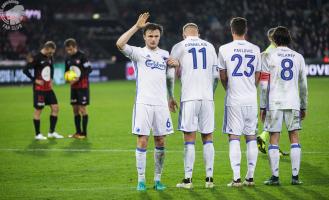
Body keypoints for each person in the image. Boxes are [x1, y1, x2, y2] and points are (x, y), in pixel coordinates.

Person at [116, 12, 175, 191]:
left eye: (156, 36)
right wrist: (136, 26)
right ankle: (141, 180)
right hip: (143, 103)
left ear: (160, 37)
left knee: (161, 142)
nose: (153, 39)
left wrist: (171, 97)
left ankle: (157, 180)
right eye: (150, 35)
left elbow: (169, 78)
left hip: (161, 105)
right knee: (142, 141)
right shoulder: (138, 53)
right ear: (144, 36)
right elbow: (119, 44)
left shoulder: (165, 55)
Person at [167, 23, 219, 189]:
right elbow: (216, 76)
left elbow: (170, 75)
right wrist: (211, 94)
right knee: (208, 137)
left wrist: (170, 96)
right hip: (207, 98)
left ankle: (188, 180)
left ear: (184, 35)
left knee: (189, 139)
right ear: (198, 33)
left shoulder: (179, 46)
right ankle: (209, 179)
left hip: (189, 97)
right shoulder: (209, 46)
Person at [261, 26, 308, 185]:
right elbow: (303, 85)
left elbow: (263, 85)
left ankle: (275, 177)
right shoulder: (298, 57)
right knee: (294, 136)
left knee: (274, 138)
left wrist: (262, 106)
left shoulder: (267, 56)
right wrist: (303, 106)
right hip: (293, 101)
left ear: (274, 39)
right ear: (288, 39)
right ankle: (295, 178)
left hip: (274, 103)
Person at [218, 17, 260, 187]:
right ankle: (250, 178)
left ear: (231, 30)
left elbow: (222, 75)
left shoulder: (224, 49)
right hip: (251, 98)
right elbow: (257, 75)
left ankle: (236, 179)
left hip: (234, 99)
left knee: (234, 137)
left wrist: (228, 88)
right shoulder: (255, 49)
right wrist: (251, 87)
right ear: (246, 30)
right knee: (251, 137)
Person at [23, 41, 64, 140]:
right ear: (47, 48)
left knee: (55, 108)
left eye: (53, 53)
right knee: (38, 110)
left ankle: (51, 132)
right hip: (39, 89)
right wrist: (34, 80)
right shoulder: (37, 58)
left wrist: (51, 79)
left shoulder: (50, 57)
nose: (51, 54)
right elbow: (25, 70)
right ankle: (38, 134)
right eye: (50, 52)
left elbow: (52, 67)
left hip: (48, 88)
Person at [64, 38, 92, 139]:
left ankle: (84, 133)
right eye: (67, 50)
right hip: (74, 87)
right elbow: (66, 72)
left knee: (82, 109)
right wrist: (67, 79)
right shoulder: (67, 58)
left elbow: (89, 69)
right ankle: (77, 133)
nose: (69, 51)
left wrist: (78, 78)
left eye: (70, 49)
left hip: (83, 87)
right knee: (75, 109)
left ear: (75, 47)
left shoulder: (82, 56)